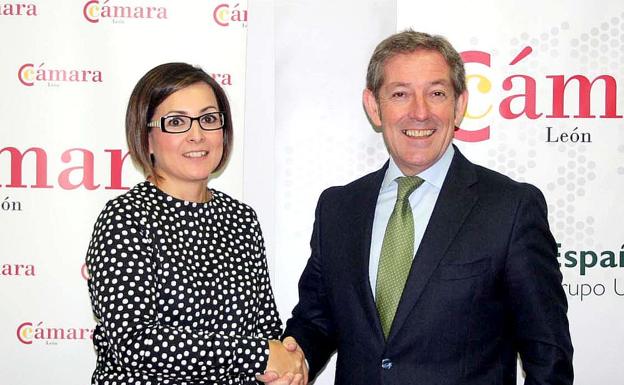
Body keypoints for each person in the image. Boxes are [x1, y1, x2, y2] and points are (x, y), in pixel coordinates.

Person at [261, 30, 574, 385]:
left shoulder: (511, 207)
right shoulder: (338, 207)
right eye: (400, 94)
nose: (420, 112)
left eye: (436, 93)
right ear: (373, 106)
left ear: (459, 105)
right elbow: (317, 319)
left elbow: (548, 355)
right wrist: (294, 357)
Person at [86, 62, 306, 385]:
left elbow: (265, 329)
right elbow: (134, 344)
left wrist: (284, 365)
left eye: (208, 119)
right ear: (146, 138)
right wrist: (259, 355)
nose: (197, 135)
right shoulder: (125, 219)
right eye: (176, 122)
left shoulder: (241, 219)